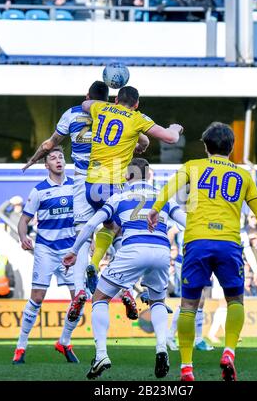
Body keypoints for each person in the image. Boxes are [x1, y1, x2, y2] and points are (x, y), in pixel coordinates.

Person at [148, 121, 257, 381]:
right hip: (228, 244)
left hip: (197, 242)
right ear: (231, 148)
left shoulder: (192, 167)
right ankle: (229, 351)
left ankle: (187, 368)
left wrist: (154, 208)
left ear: (206, 147)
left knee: (188, 306)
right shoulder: (243, 175)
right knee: (235, 301)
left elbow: (168, 190)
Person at [62, 158, 187, 380]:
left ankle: (101, 354)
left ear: (127, 176)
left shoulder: (118, 196)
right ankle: (161, 348)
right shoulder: (163, 196)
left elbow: (92, 224)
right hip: (161, 251)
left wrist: (73, 249)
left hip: (132, 249)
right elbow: (186, 221)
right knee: (158, 301)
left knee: (100, 298)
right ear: (149, 175)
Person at [74, 85, 183, 320]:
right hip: (113, 184)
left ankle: (110, 276)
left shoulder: (101, 108)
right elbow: (171, 138)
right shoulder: (137, 118)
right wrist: (175, 127)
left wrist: (97, 106)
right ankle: (119, 280)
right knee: (131, 231)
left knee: (112, 227)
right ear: (136, 104)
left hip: (91, 184)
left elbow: (85, 105)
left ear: (115, 100)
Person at [21, 81, 114, 321]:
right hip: (108, 178)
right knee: (115, 228)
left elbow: (49, 143)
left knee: (81, 232)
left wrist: (33, 159)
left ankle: (80, 287)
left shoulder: (72, 114)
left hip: (83, 181)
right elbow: (140, 143)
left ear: (87, 97)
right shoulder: (113, 115)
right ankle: (121, 285)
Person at [12, 146, 80, 365]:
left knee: (79, 299)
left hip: (70, 250)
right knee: (38, 298)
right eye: (53, 158)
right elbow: (23, 221)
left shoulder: (76, 187)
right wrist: (23, 237)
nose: (58, 160)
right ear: (46, 165)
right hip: (46, 249)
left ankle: (64, 341)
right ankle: (20, 347)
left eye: (61, 157)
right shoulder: (39, 191)